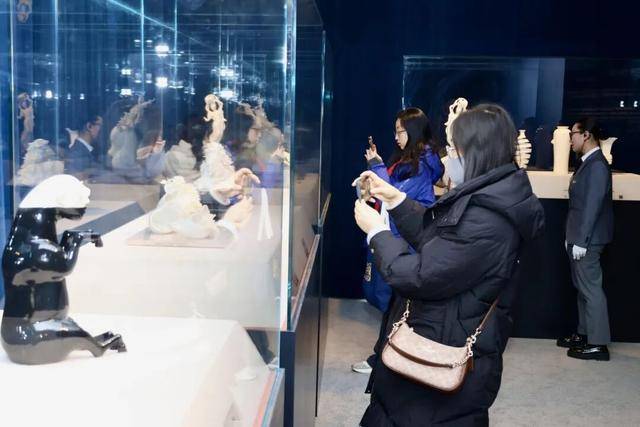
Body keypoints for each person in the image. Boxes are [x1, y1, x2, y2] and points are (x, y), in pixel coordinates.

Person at [353, 104, 545, 426]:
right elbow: (438, 239)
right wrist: (395, 200)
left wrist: (377, 233)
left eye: (454, 150)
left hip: (441, 354)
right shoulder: (488, 198)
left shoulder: (487, 218)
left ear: (476, 153)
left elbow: (420, 274)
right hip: (441, 335)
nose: (447, 159)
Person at [352, 108, 443, 375]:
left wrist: (376, 166)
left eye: (400, 131)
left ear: (413, 131)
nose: (396, 137)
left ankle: (386, 359)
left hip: (405, 241)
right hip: (399, 237)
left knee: (394, 304)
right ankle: (386, 358)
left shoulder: (422, 164)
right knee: (392, 304)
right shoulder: (413, 159)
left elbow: (394, 194)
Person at [556, 118, 613, 361]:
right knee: (583, 288)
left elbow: (592, 207)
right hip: (580, 236)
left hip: (589, 239)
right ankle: (584, 334)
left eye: (573, 134)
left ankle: (598, 344)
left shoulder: (597, 165)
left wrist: (582, 240)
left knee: (590, 290)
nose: (571, 139)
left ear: (586, 135)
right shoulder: (588, 163)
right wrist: (572, 236)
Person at [65, 113, 103, 180]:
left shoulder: (85, 150)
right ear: (89, 126)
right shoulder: (77, 153)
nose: (101, 129)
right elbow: (74, 178)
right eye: (100, 125)